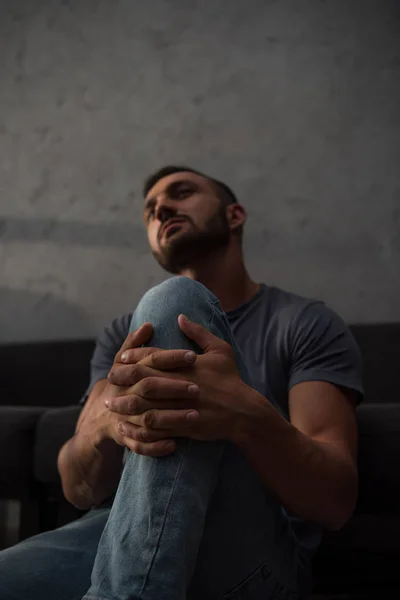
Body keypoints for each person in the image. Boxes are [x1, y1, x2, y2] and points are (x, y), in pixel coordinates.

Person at [0, 166, 363, 600]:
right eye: (150, 210)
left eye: (182, 192)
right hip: (117, 532)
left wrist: (245, 416)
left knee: (174, 301)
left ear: (235, 215)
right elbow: (78, 488)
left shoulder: (302, 323)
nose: (161, 209)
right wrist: (105, 427)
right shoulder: (123, 336)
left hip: (256, 556)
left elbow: (335, 502)